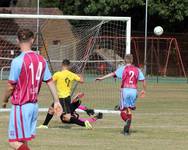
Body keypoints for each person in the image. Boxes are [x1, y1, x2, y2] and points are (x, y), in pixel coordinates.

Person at [1, 29, 62, 150]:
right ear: (32, 40)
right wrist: (56, 101)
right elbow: (49, 81)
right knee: (23, 142)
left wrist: (4, 100)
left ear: (17, 40)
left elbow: (10, 87)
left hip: (21, 106)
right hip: (33, 107)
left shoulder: (17, 61)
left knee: (13, 142)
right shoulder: (41, 60)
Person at [96, 54, 146, 135]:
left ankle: (127, 121)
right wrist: (144, 90)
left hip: (125, 90)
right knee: (129, 109)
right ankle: (126, 131)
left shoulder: (123, 68)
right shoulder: (137, 69)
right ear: (132, 60)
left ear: (125, 60)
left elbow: (112, 74)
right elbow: (143, 80)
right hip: (134, 91)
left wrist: (101, 78)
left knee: (122, 110)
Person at [38, 59, 92, 129]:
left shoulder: (58, 74)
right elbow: (81, 81)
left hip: (62, 98)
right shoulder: (71, 74)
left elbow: (49, 81)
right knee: (51, 109)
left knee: (67, 118)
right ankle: (44, 125)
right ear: (68, 66)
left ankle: (84, 124)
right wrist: (79, 74)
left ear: (62, 65)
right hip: (65, 98)